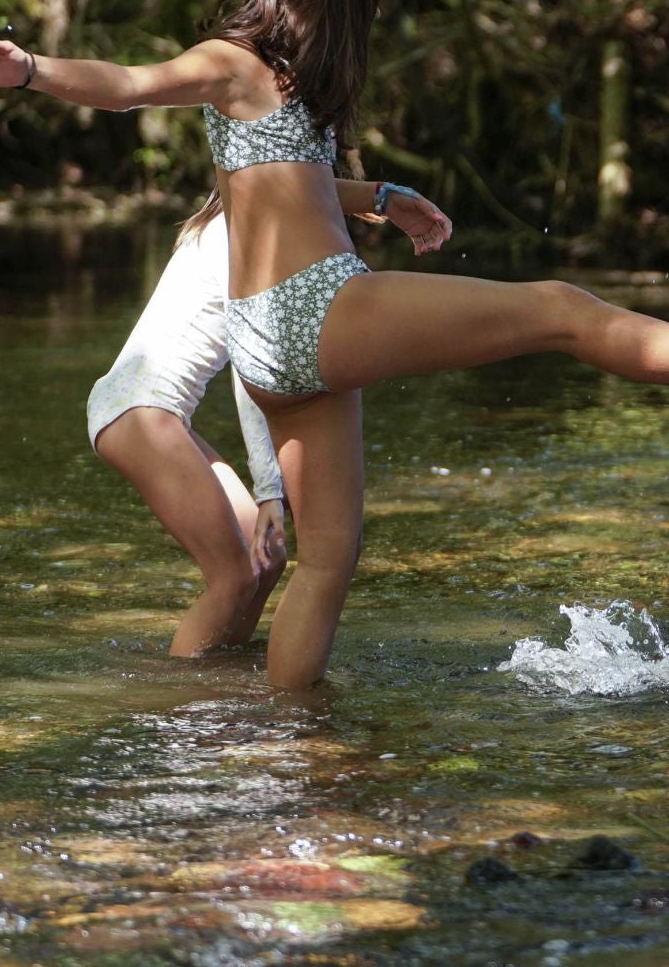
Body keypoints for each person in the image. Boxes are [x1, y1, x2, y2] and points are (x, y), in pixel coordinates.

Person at [0, 0, 669, 689]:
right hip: (310, 311)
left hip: (278, 342)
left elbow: (294, 186)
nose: (380, 8)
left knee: (324, 563)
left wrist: (386, 200)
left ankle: (278, 756)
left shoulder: (298, 95)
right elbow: (127, 87)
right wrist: (31, 69)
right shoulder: (235, 63)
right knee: (558, 309)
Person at [89, 181, 452, 658]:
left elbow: (305, 188)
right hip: (140, 412)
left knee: (266, 561)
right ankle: (180, 699)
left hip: (147, 411)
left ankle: (220, 669)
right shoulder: (242, 234)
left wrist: (381, 200)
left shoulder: (235, 223)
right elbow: (252, 369)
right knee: (233, 576)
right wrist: (269, 493)